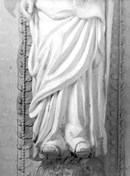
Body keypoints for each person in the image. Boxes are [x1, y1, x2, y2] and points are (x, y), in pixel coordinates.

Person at [20, 0, 112, 158]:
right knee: (51, 64)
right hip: (49, 8)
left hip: (83, 7)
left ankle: (76, 132)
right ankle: (51, 133)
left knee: (79, 67)